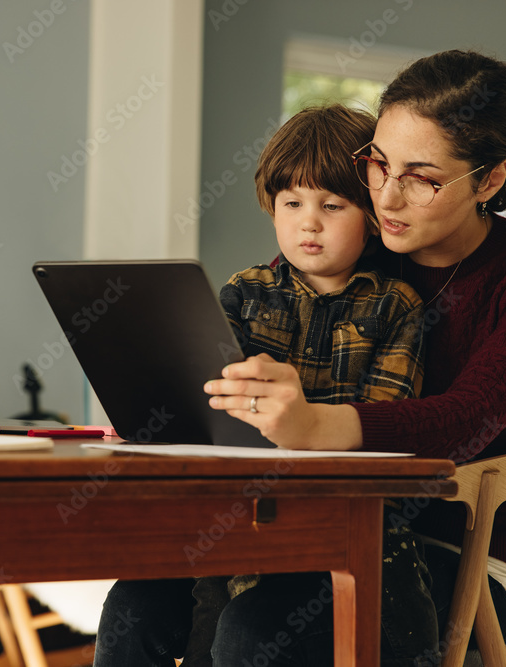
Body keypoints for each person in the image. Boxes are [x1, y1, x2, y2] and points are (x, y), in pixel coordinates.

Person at [202, 49, 506, 665]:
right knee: (139, 607)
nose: (387, 196)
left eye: (422, 177)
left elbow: (469, 420)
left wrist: (312, 424)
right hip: (314, 527)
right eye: (378, 164)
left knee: (255, 633)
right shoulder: (362, 242)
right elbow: (265, 317)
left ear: (491, 179)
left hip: (458, 551)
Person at [94, 104, 430, 667]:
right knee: (131, 606)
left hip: (338, 535)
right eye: (291, 203)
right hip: (229, 522)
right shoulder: (244, 293)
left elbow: (381, 433)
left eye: (332, 205)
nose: (309, 222)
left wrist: (301, 420)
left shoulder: (397, 306)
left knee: (247, 632)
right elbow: (201, 400)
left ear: (371, 215)